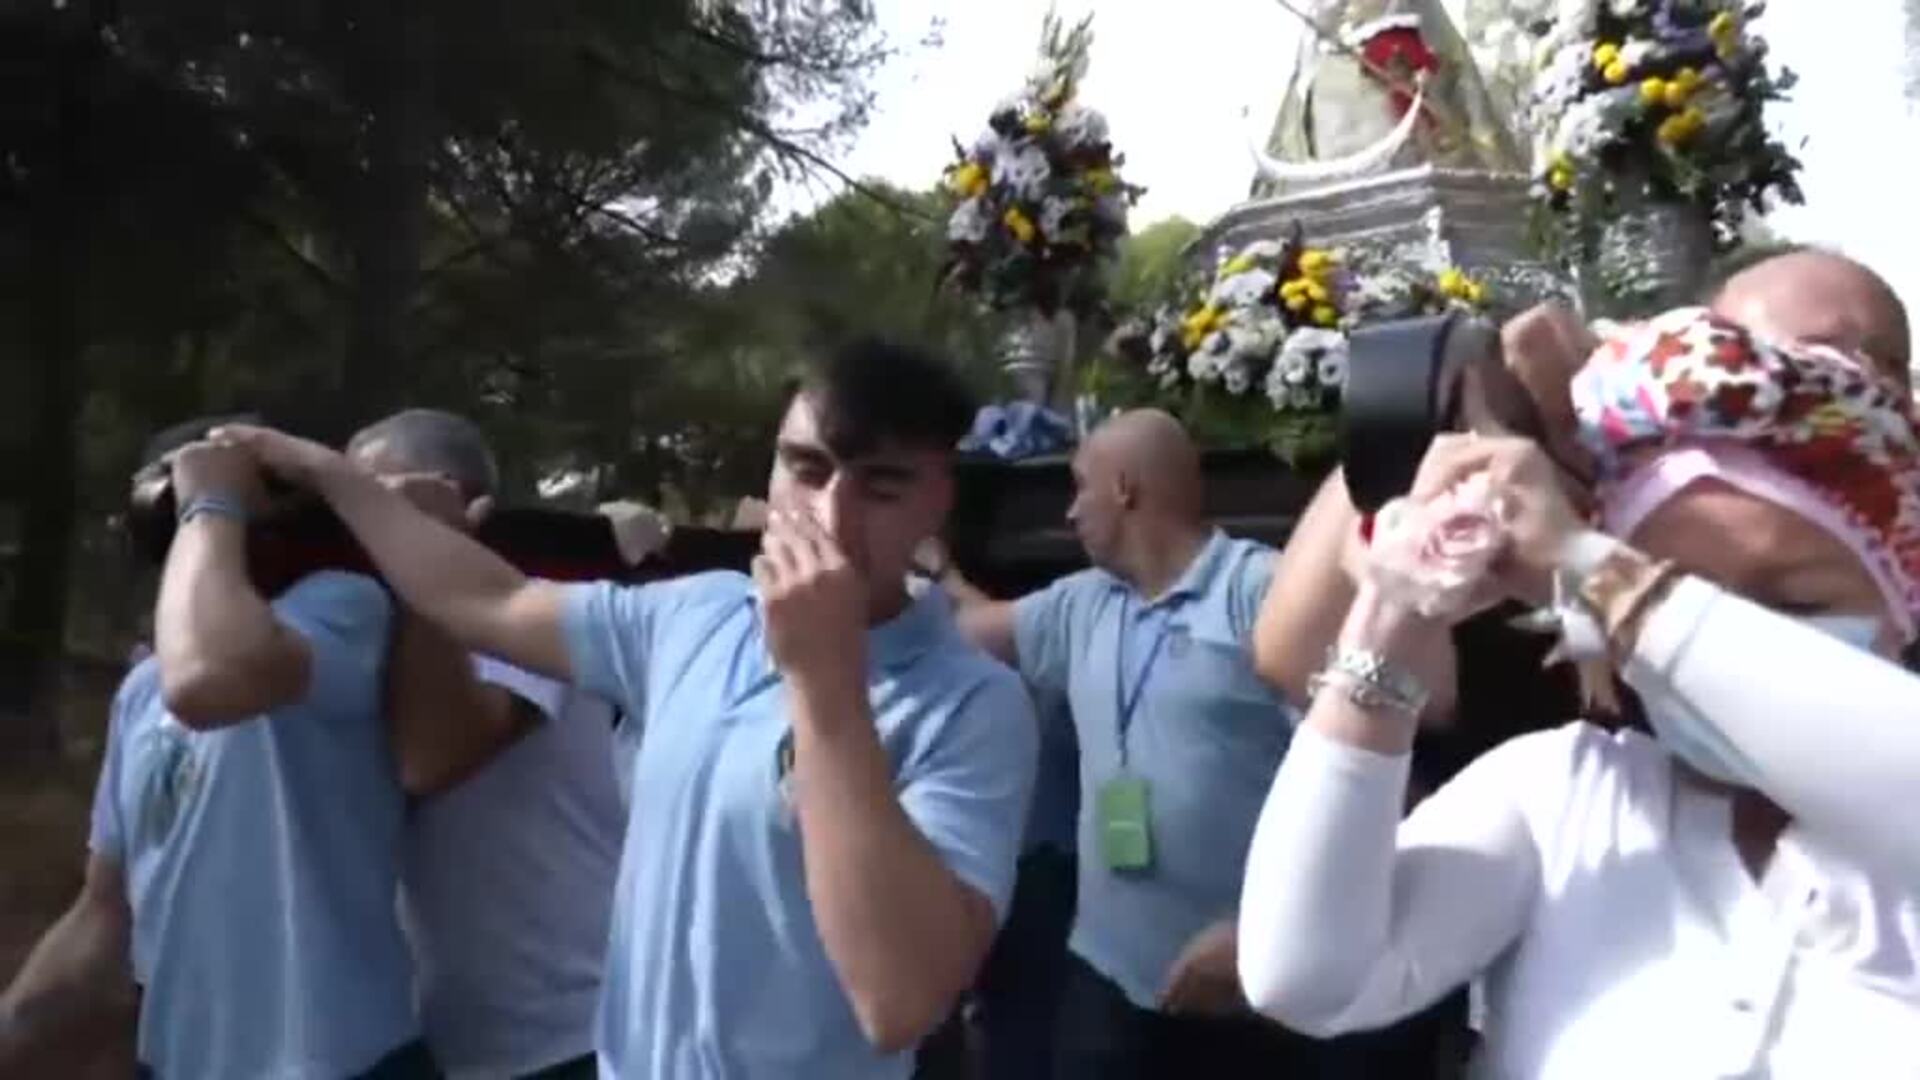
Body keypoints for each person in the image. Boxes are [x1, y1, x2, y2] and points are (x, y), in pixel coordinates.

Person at [215, 339, 1039, 1080]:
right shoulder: (698, 616)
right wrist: (335, 478)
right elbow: (488, 599)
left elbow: (900, 1000)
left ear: (938, 501)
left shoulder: (972, 705)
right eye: (806, 469)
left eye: (882, 487)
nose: (831, 519)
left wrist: (826, 686)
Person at [1238, 307, 1920, 1076]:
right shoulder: (1567, 798)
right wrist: (1398, 604)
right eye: (1682, 588)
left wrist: (1599, 575)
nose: (1723, 656)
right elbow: (1306, 977)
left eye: (1791, 603)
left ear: (1903, 603)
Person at [936, 409, 1368, 1078]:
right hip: (1107, 981)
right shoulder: (1081, 604)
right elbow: (971, 628)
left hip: (1254, 995)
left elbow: (1364, 782)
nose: (1071, 510)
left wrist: (1263, 937)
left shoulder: (1263, 593)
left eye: (1080, 486)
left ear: (1124, 489)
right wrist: (928, 564)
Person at [0, 420, 430, 1079]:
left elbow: (214, 677)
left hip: (337, 1064)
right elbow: (104, 918)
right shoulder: (143, 692)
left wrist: (211, 503)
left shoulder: (343, 609)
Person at [347, 409, 626, 1080]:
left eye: (381, 503)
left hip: (576, 1038)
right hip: (453, 1043)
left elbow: (433, 755)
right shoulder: (381, 622)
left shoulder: (534, 602)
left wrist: (427, 548)